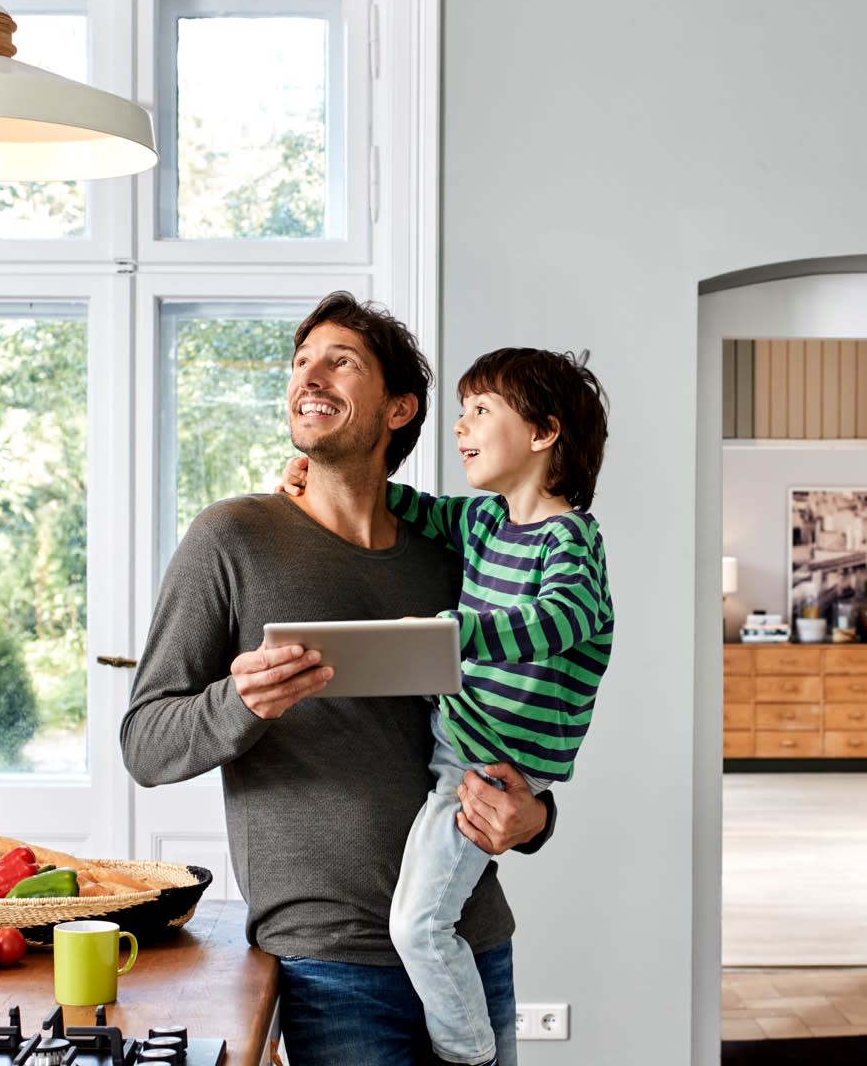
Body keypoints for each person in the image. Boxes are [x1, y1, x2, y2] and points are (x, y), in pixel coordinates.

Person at [120, 293, 554, 1066]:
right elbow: (146, 745)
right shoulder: (230, 539)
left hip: (470, 941)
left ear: (398, 409)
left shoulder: (452, 554)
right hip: (328, 964)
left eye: (339, 360)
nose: (308, 376)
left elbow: (519, 715)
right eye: (300, 361)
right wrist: (239, 700)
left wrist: (536, 820)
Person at [284, 346, 614, 1065]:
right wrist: (317, 477)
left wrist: (454, 635)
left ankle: (468, 1051)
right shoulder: (487, 522)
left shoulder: (571, 539)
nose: (460, 428)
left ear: (543, 433)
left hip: (486, 768)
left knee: (419, 924)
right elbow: (415, 509)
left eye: (480, 411)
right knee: (423, 918)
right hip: (463, 746)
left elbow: (562, 618)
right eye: (461, 412)